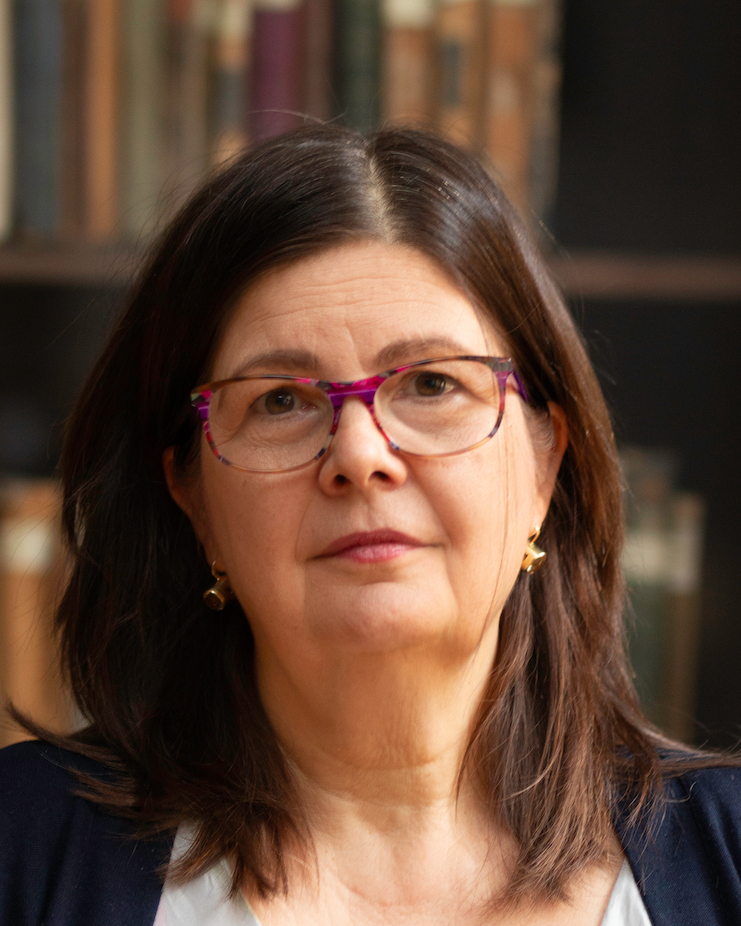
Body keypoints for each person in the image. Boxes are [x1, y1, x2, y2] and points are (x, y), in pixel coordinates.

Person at [1, 125, 740, 926]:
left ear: (543, 468)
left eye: (430, 383)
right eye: (279, 400)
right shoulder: (22, 850)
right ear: (193, 499)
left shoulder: (725, 856)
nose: (359, 454)